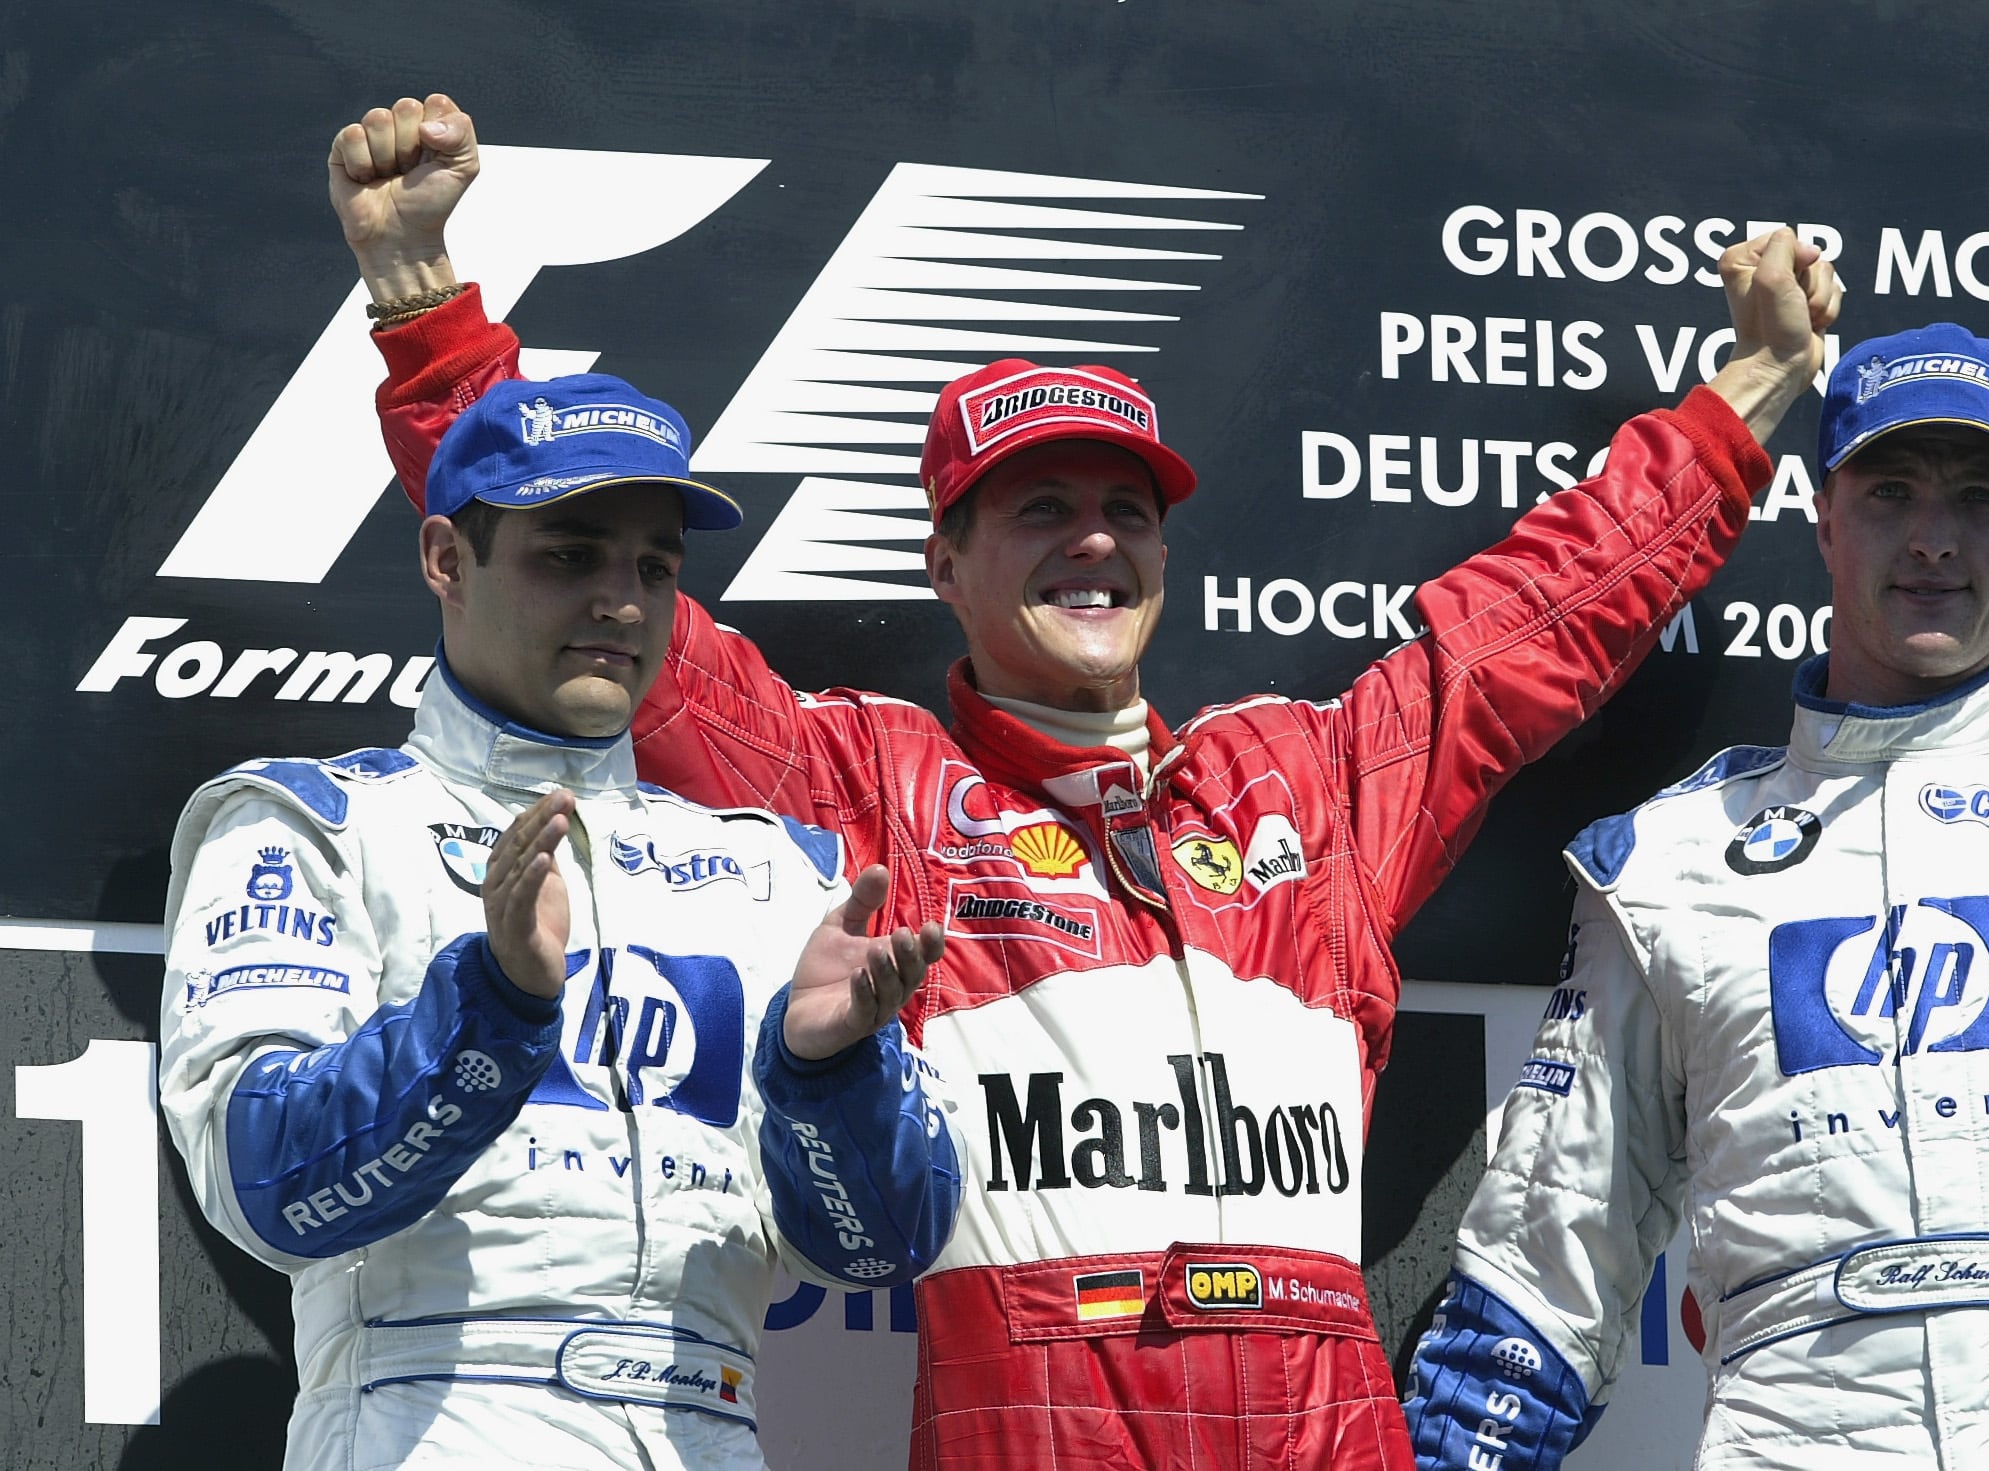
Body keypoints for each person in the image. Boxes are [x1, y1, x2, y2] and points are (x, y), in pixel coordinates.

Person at [328, 93, 1840, 1470]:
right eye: (1041, 507)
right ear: (947, 565)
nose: (1097, 540)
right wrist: (425, 312)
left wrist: (1748, 399)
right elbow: (590, 586)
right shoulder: (869, 785)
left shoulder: (1306, 787)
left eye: (1127, 510)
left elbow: (1534, 621)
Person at [1403, 321, 1989, 1469]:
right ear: (1823, 520)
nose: (1935, 540)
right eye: (1891, 491)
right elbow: (1537, 1291)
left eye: (1981, 500)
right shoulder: (1671, 866)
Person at [157, 367, 964, 1471]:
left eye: (653, 567)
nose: (622, 602)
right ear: (446, 559)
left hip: (711, 1430)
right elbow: (267, 1189)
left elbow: (883, 1249)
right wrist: (490, 1010)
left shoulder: (777, 872)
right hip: (430, 1426)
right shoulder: (317, 821)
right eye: (570, 555)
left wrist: (826, 1078)